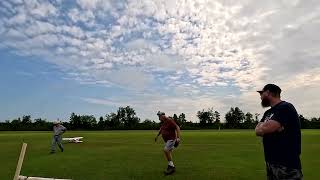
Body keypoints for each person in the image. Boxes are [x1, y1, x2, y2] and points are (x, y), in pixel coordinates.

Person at [255, 84, 303, 179]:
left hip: (286, 164)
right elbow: (257, 130)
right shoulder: (268, 112)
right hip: (271, 162)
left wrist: (265, 127)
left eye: (261, 93)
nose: (260, 96)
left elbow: (266, 128)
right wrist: (269, 127)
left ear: (268, 93)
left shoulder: (285, 107)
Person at [154, 111, 181, 175]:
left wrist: (178, 137)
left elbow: (177, 127)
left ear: (163, 116)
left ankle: (172, 167)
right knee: (168, 152)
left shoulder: (170, 120)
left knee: (166, 150)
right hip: (167, 141)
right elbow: (161, 129)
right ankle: (170, 166)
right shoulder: (164, 122)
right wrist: (157, 136)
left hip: (171, 139)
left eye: (159, 117)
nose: (159, 118)